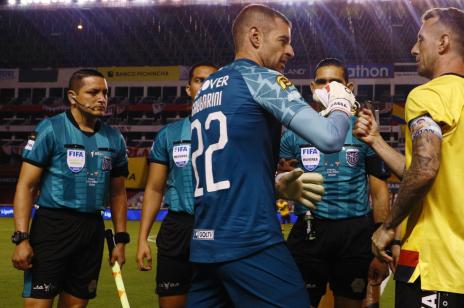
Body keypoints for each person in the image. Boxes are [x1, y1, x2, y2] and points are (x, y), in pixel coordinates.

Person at [188, 4, 357, 307]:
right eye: (283, 40)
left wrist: (277, 183)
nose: (291, 50)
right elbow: (331, 138)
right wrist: (342, 103)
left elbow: (227, 156)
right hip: (249, 238)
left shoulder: (207, 88)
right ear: (255, 36)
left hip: (205, 242)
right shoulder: (262, 79)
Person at [353, 7, 464, 307]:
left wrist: (387, 227)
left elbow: (425, 168)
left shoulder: (429, 95)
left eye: (420, 40)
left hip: (434, 270)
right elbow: (425, 170)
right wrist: (377, 142)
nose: (413, 48)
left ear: (443, 43)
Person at [11, 69, 129, 308]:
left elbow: (117, 193)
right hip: (53, 227)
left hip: (92, 230)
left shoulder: (115, 138)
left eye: (105, 93)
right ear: (72, 96)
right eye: (93, 92)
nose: (102, 99)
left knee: (76, 305)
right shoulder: (50, 129)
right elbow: (26, 185)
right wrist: (22, 238)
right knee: (38, 304)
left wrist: (121, 239)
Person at [279, 58, 391, 308]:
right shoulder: (294, 134)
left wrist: (382, 238)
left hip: (354, 233)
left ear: (349, 87)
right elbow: (278, 180)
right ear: (312, 87)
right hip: (310, 229)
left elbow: (380, 192)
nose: (328, 87)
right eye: (322, 82)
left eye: (335, 82)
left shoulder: (365, 131)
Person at [136, 63, 218, 308]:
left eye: (211, 81)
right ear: (188, 88)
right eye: (198, 80)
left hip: (218, 226)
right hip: (178, 227)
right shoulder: (169, 134)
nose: (204, 86)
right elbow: (153, 189)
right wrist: (142, 239)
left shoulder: (234, 132)